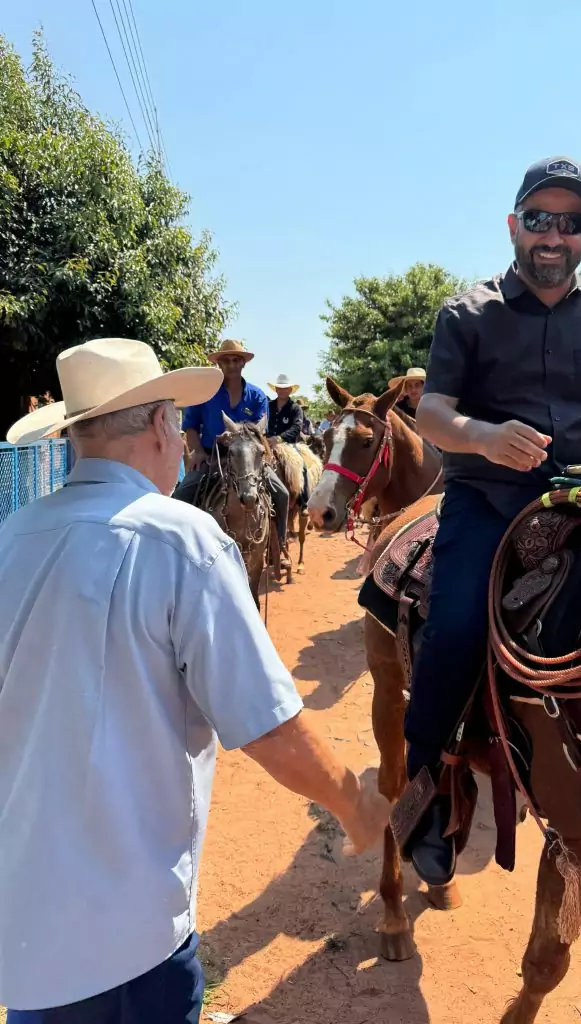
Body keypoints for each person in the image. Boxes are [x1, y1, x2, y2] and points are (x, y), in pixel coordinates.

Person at [0, 338, 390, 1024]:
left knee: (278, 488)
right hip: (128, 939)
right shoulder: (185, 539)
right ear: (161, 425)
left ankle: (283, 540)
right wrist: (353, 802)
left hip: (24, 929)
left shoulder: (13, 533)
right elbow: (268, 726)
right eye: (176, 421)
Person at [407, 155, 581, 887]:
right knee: (456, 627)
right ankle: (425, 790)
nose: (553, 234)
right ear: (513, 225)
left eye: (570, 221)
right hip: (487, 498)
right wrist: (485, 437)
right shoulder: (467, 312)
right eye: (538, 219)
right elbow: (432, 411)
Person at [176, 339, 292, 566]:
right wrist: (197, 452)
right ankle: (181, 548)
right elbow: (190, 426)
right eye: (226, 360)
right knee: (182, 493)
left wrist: (238, 439)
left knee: (282, 493)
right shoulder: (204, 393)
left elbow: (260, 432)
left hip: (249, 459)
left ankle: (279, 545)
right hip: (213, 456)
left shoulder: (257, 396)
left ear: (243, 363)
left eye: (236, 360)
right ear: (219, 364)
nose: (231, 364)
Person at [267, 374, 309, 505]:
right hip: (267, 442)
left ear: (290, 390)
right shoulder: (268, 405)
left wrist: (279, 438)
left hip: (288, 445)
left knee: (301, 464)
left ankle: (304, 501)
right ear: (275, 389)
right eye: (279, 388)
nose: (282, 390)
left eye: (285, 388)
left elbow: (296, 427)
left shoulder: (295, 408)